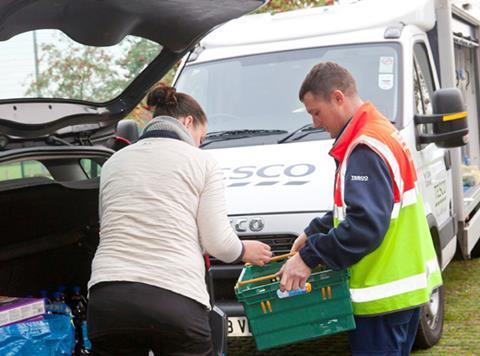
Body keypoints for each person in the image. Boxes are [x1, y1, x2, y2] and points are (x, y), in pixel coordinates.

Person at [87, 83, 272, 356]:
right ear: (187, 122)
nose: (200, 142)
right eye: (201, 135)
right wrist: (245, 250)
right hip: (173, 299)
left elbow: (107, 224)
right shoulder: (202, 162)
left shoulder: (115, 161)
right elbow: (217, 242)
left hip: (108, 301)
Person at [278, 62, 442, 355]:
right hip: (401, 290)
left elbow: (365, 226)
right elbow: (370, 207)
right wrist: (316, 229)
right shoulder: (380, 131)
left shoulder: (364, 146)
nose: (316, 123)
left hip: (383, 297)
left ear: (338, 98)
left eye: (316, 112)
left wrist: (309, 256)